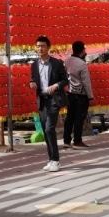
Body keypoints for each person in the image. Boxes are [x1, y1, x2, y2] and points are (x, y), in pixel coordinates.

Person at [28, 35, 68, 172]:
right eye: (38, 46)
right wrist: (31, 83)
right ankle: (51, 159)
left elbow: (65, 80)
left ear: (48, 47)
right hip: (42, 100)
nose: (40, 49)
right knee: (46, 131)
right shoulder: (34, 65)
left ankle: (56, 160)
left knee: (49, 129)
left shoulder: (56, 63)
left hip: (54, 99)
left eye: (43, 46)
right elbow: (33, 79)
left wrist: (56, 85)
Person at [62, 41, 94, 149]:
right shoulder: (82, 64)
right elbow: (86, 82)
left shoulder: (67, 61)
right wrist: (90, 96)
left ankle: (66, 141)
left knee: (70, 117)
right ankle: (77, 141)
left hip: (70, 93)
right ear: (82, 51)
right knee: (79, 118)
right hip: (81, 94)